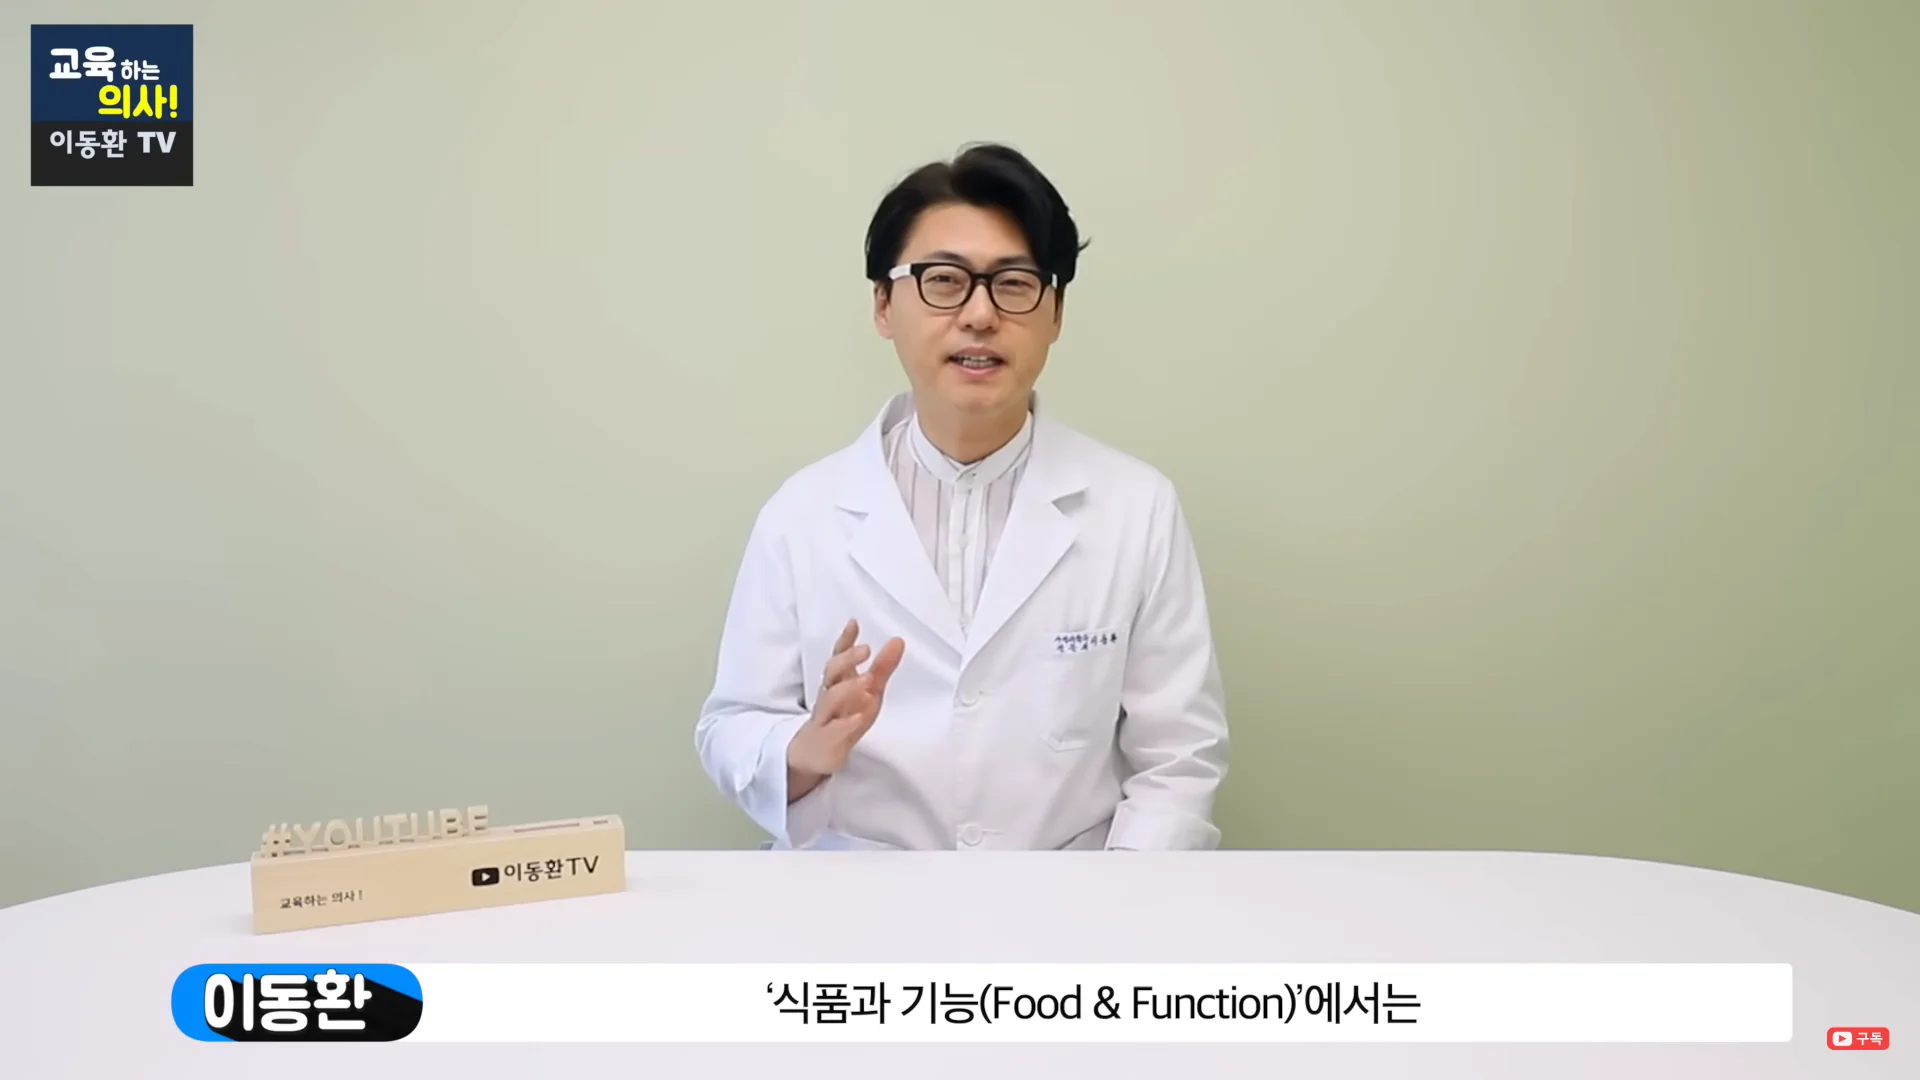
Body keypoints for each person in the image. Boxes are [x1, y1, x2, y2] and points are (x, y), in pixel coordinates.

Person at [693, 143, 1228, 851]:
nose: (979, 314)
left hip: (1069, 902)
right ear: (884, 305)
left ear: (1055, 312)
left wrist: (1120, 901)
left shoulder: (1137, 507)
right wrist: (803, 751)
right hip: (852, 898)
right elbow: (732, 725)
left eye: (1014, 283)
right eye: (943, 281)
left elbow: (1178, 760)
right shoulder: (802, 514)